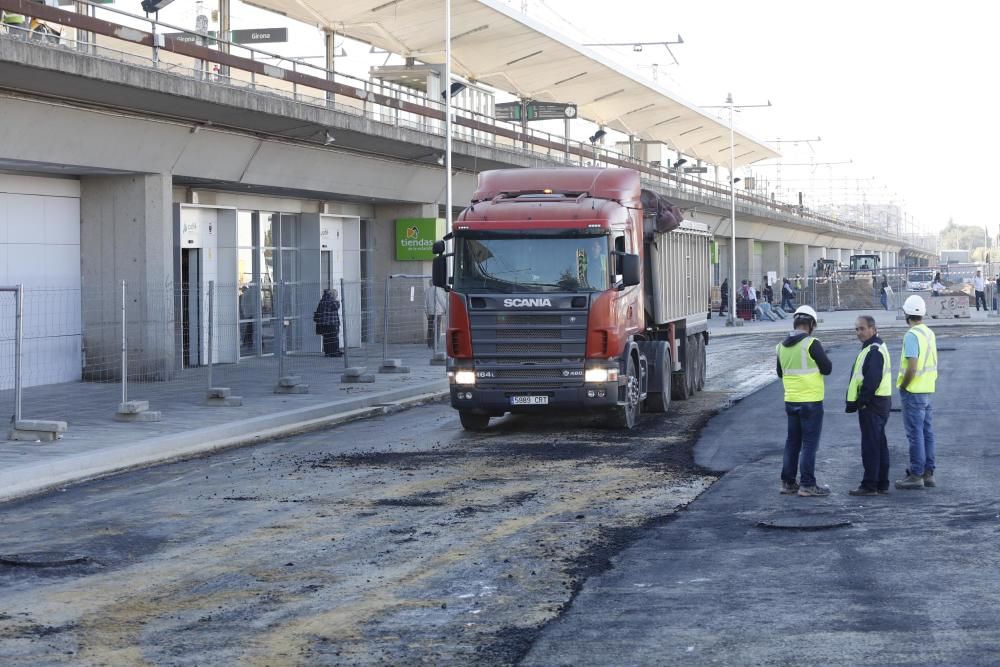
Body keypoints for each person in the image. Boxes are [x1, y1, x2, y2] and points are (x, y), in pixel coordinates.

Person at [776, 305, 833, 497]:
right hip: (811, 401)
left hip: (791, 400)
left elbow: (779, 372)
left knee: (792, 442)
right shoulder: (811, 343)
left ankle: (787, 482)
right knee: (809, 443)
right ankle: (807, 484)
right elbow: (827, 368)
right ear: (811, 324)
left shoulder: (781, 346)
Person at [895, 295, 939, 490]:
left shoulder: (912, 335)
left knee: (915, 435)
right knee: (927, 433)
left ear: (907, 314)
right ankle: (928, 473)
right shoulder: (929, 333)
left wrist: (904, 385)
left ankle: (916, 474)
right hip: (927, 389)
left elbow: (912, 366)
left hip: (913, 391)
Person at [846, 315, 892, 496]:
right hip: (880, 402)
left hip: (873, 404)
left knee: (871, 446)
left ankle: (870, 484)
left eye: (862, 328)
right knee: (879, 443)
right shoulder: (875, 347)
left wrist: (862, 401)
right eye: (857, 329)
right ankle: (881, 483)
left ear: (873, 328)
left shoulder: (873, 349)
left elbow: (872, 379)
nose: (859, 332)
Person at [313, 288, 342, 357]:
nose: (336, 296)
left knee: (326, 338)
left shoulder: (322, 300)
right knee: (333, 338)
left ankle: (328, 352)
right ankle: (334, 352)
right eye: (336, 295)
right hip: (331, 323)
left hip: (323, 323)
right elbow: (336, 306)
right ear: (332, 295)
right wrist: (337, 301)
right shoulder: (331, 301)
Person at [424, 280, 448, 349]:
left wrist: (426, 313)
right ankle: (436, 344)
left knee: (430, 328)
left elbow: (424, 304)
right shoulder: (439, 290)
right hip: (438, 312)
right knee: (437, 328)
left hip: (430, 312)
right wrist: (446, 309)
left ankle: (430, 344)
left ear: (430, 283)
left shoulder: (427, 291)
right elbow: (442, 301)